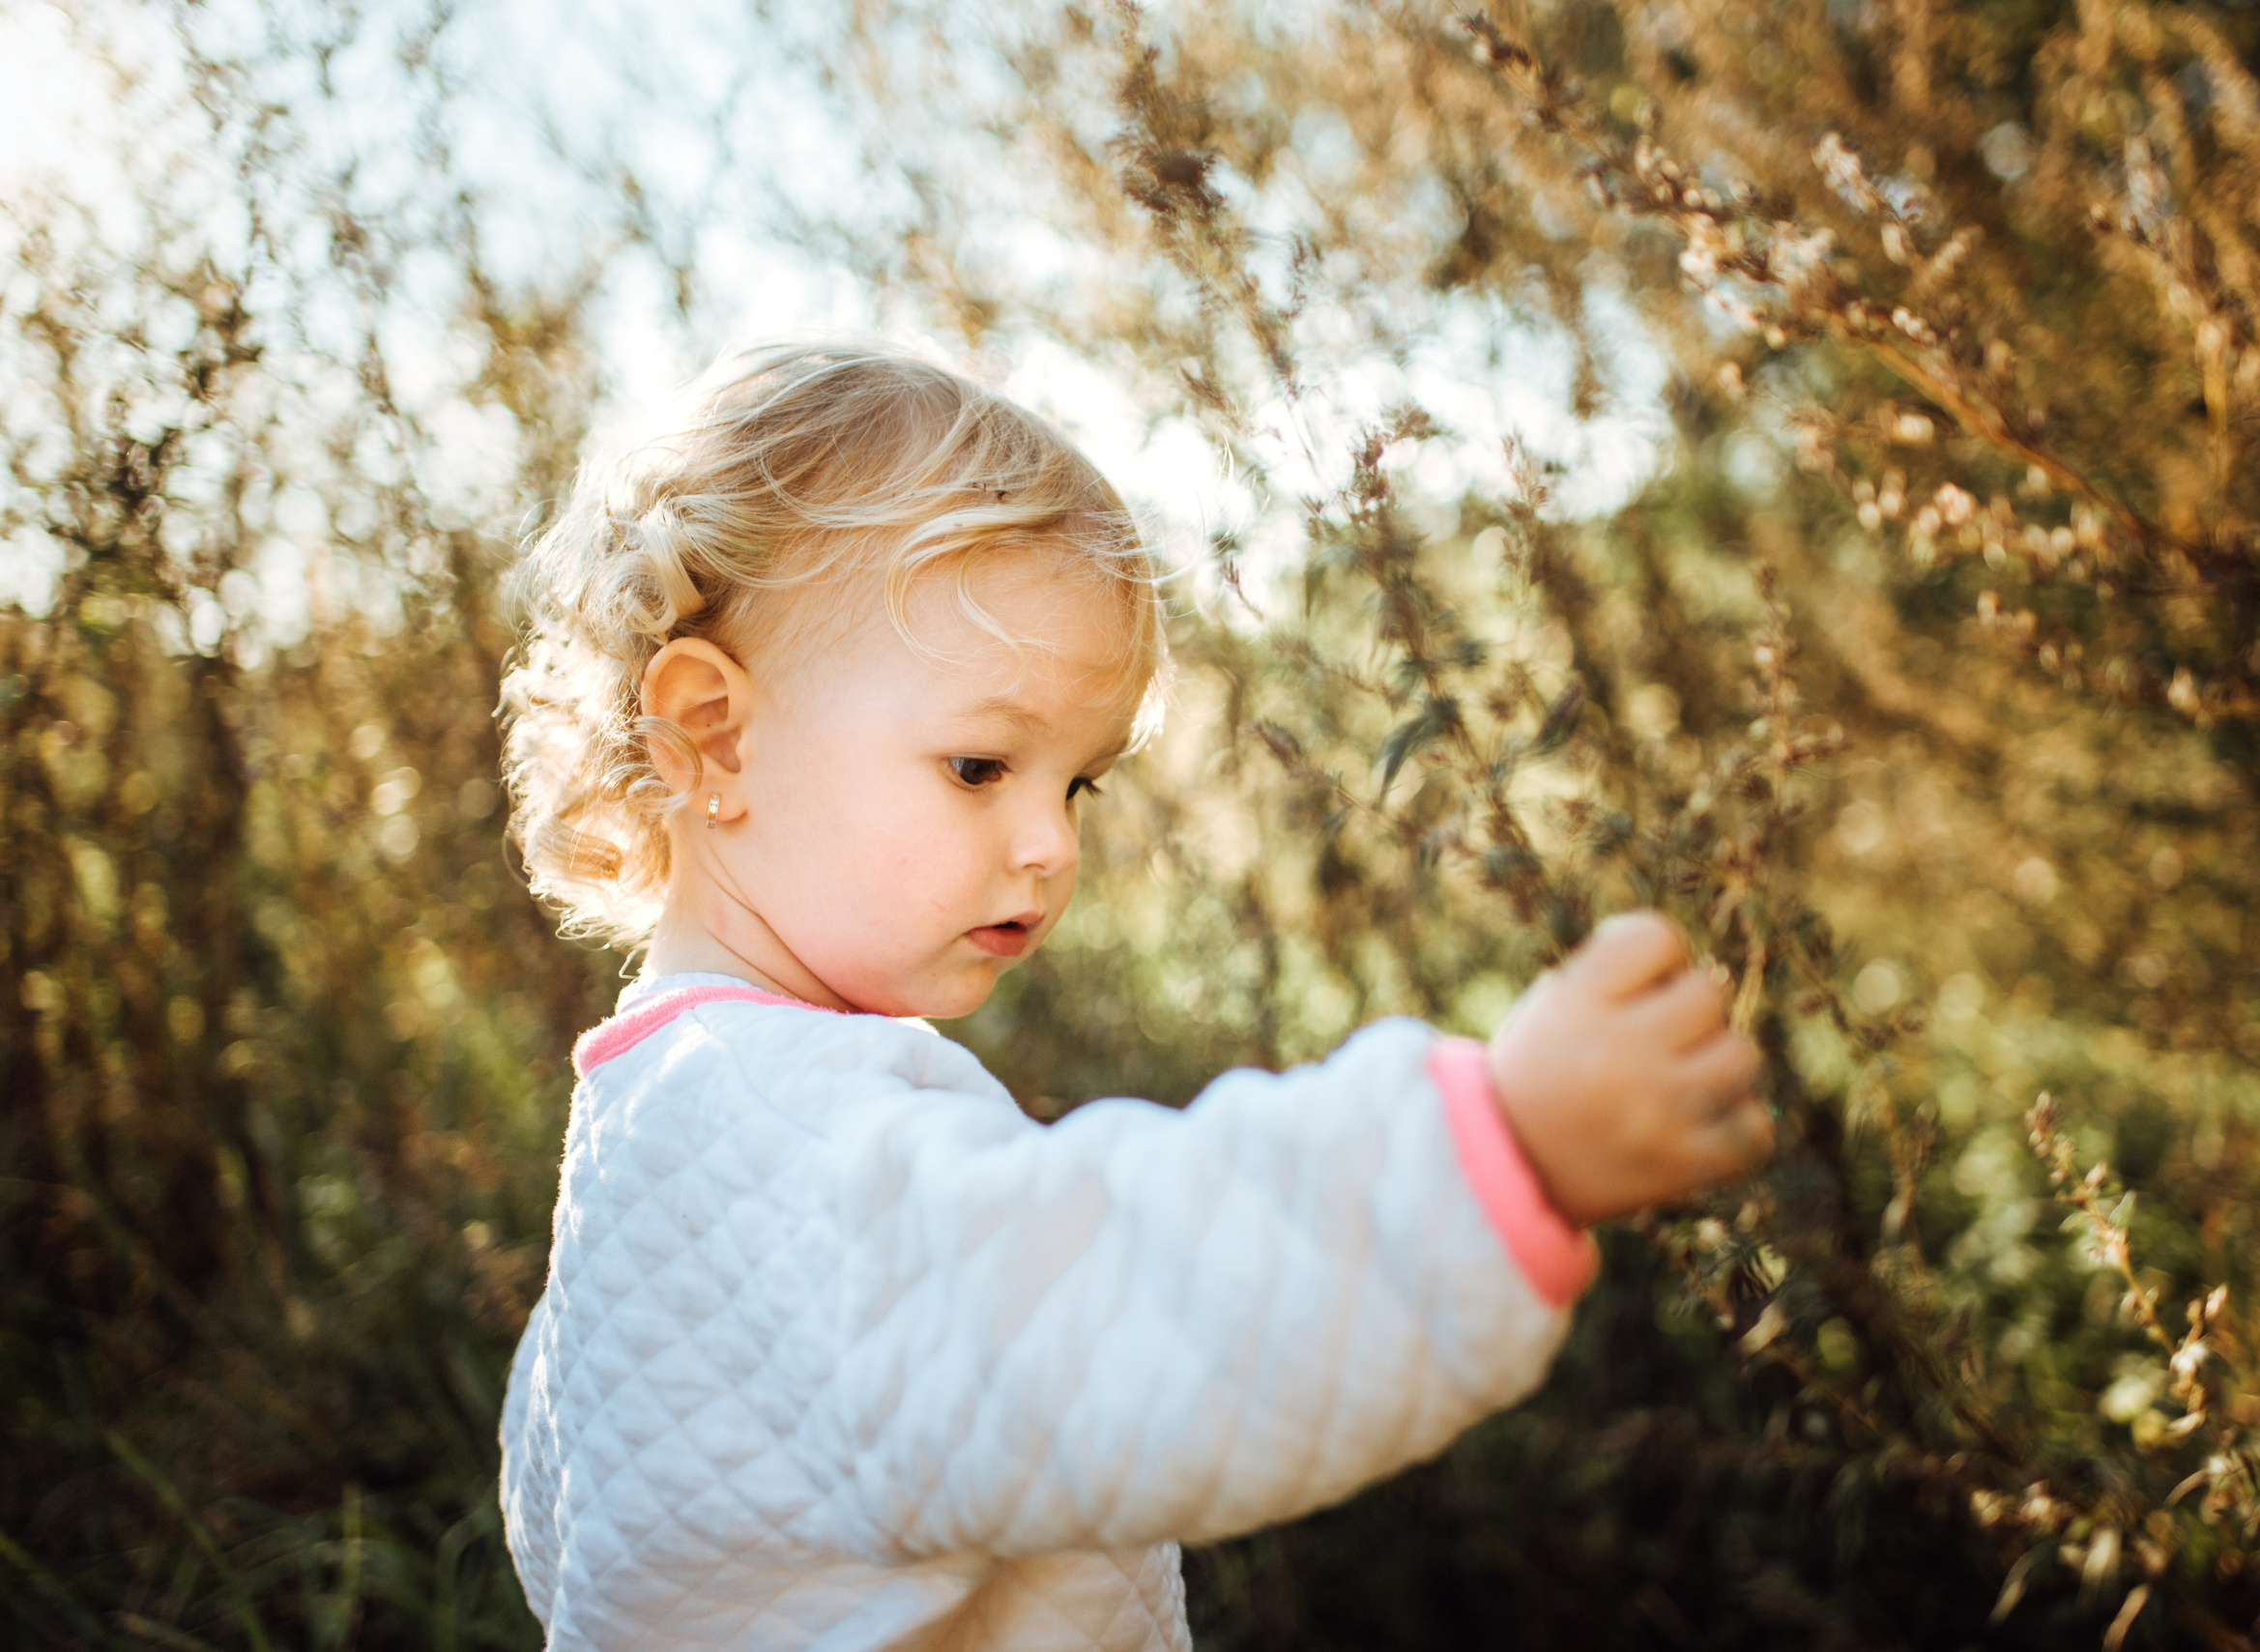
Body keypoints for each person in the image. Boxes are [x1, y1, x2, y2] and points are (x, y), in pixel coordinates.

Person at [495, 340, 1772, 1651]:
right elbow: (1130, 1306)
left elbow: (567, 1511)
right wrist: (1495, 1148)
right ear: (715, 733)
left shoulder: (652, 1121)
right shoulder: (796, 1136)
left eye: (1079, 783)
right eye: (982, 765)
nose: (1052, 843)